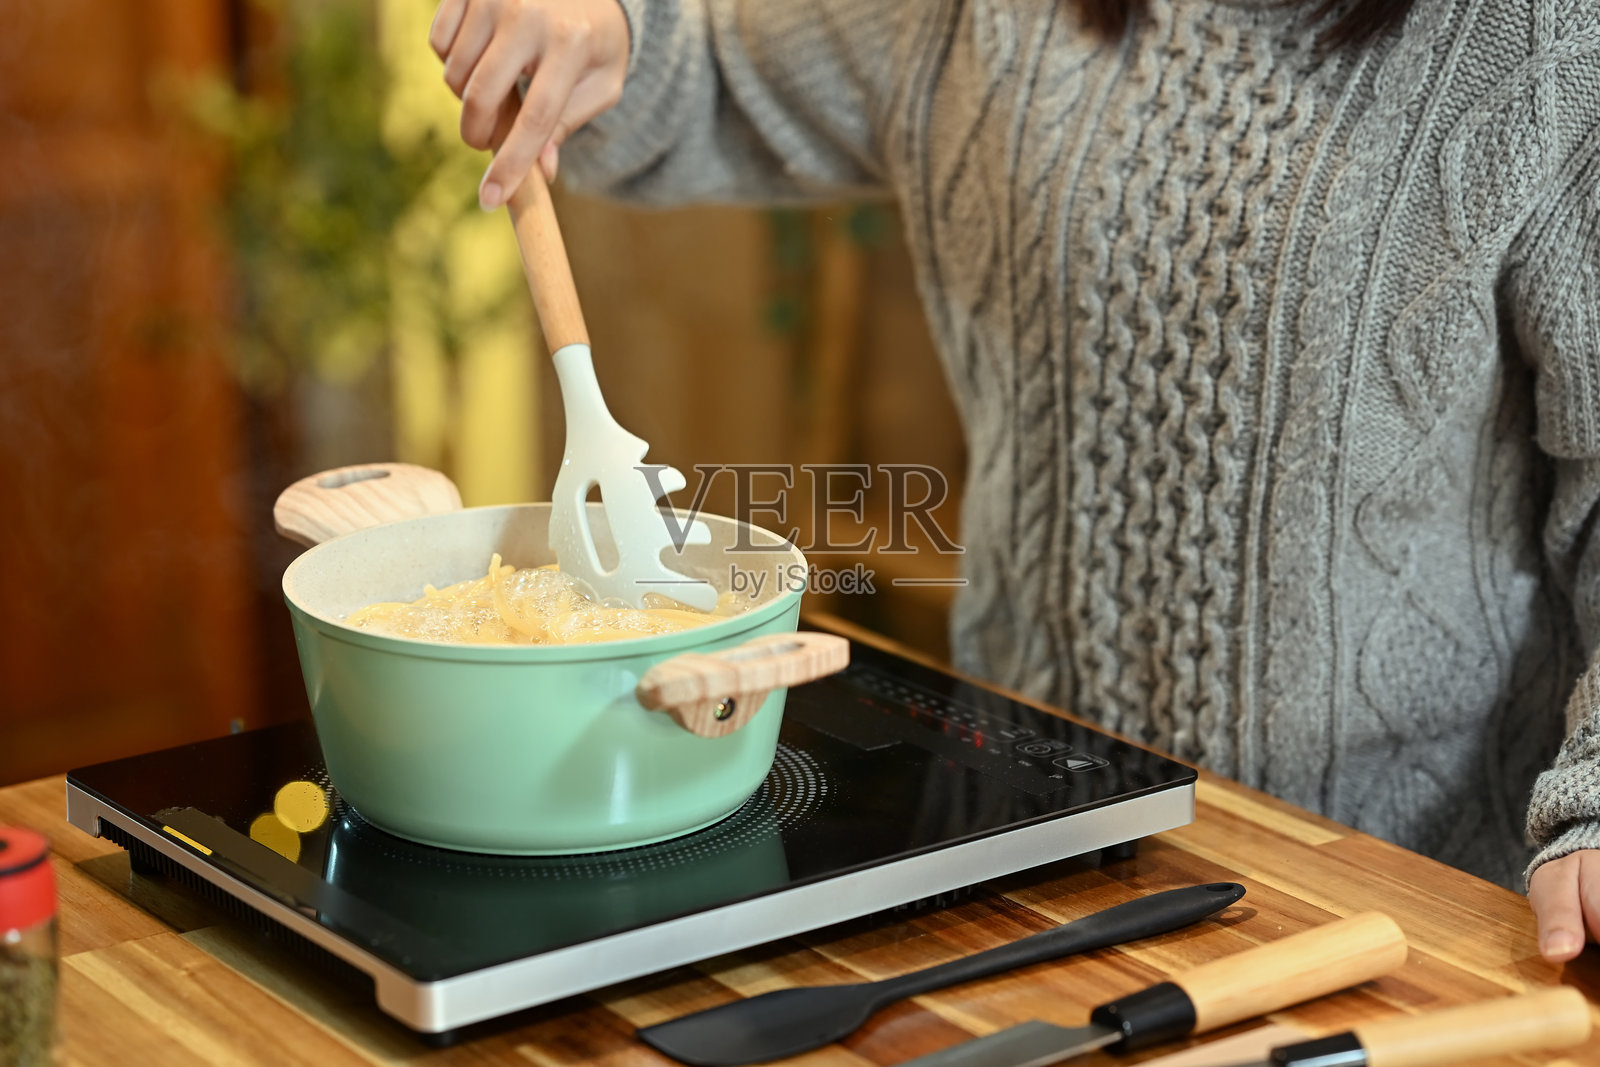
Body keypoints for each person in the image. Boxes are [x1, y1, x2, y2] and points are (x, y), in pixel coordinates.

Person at [428, 0, 1600, 961]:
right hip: (1027, 868)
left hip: (1405, 914)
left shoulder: (1545, 41)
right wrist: (603, 32)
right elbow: (704, 76)